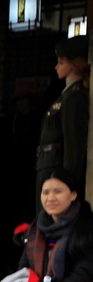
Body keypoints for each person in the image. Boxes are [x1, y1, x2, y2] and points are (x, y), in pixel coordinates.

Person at [36, 36, 89, 203]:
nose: (56, 66)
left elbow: (73, 145)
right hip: (49, 168)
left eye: (61, 62)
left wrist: (66, 182)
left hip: (56, 171)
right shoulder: (66, 96)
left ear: (73, 64)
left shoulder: (74, 98)